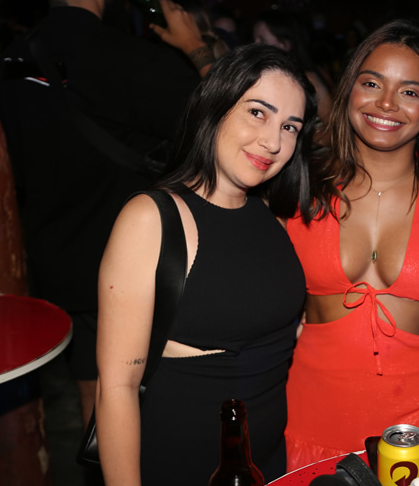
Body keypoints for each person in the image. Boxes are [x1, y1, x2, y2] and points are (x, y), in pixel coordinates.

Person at [94, 44, 317, 486]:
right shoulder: (150, 219)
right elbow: (116, 388)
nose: (273, 142)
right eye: (258, 113)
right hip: (181, 467)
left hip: (270, 465)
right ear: (215, 107)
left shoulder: (271, 215)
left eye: (289, 126)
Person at [0, 0, 212, 433]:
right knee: (157, 397)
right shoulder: (126, 55)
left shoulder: (11, 61)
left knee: (95, 392)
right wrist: (195, 45)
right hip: (135, 260)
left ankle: (105, 467)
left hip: (60, 259)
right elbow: (221, 118)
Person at [284, 19, 419, 470]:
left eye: (409, 91)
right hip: (313, 416)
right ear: (348, 91)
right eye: (371, 83)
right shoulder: (298, 185)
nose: (387, 103)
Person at [253, 10, 334, 138]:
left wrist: (299, 138)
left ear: (285, 44)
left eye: (262, 40)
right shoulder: (262, 77)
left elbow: (333, 129)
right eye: (254, 39)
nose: (255, 45)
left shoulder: (308, 79)